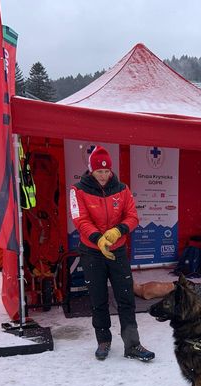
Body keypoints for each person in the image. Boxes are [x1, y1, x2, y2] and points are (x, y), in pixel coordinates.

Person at [70, 145, 154, 362]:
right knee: (98, 299)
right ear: (91, 170)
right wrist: (99, 239)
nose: (104, 176)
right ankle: (103, 341)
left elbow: (132, 216)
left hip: (117, 251)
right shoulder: (78, 190)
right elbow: (80, 220)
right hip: (92, 252)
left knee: (126, 299)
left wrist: (118, 231)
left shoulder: (122, 188)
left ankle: (132, 344)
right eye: (99, 171)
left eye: (107, 171)